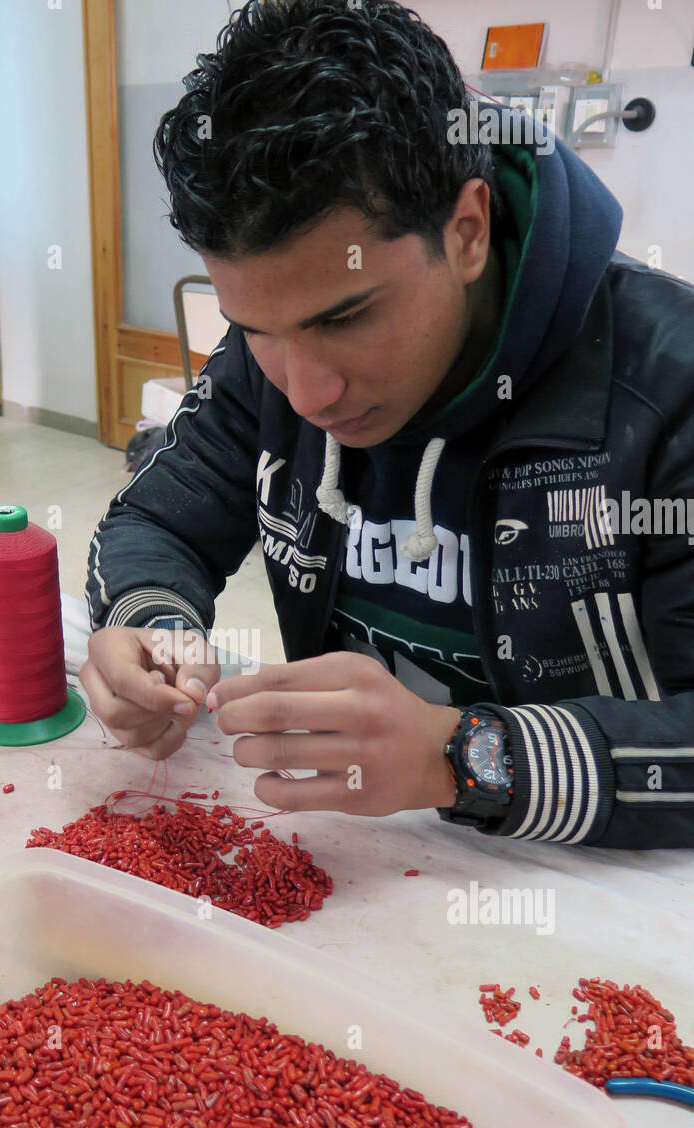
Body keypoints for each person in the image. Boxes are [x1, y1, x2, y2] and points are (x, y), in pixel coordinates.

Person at [82, 0, 694, 850]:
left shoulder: (670, 382)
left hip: (611, 900)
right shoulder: (277, 351)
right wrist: (149, 626)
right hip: (367, 875)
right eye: (256, 328)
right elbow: (157, 518)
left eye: (345, 318)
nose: (305, 392)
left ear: (467, 229)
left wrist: (464, 756)